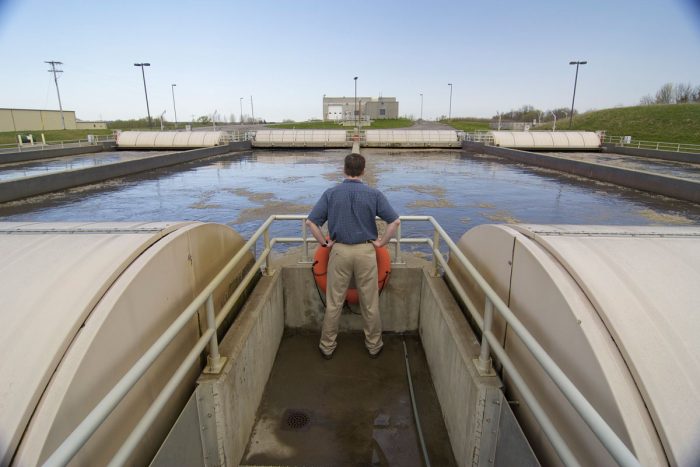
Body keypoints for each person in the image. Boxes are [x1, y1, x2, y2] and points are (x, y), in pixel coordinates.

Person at [306, 153, 400, 360]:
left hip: (339, 251)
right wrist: (382, 242)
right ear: (363, 171)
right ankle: (374, 346)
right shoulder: (374, 194)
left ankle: (327, 346)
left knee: (334, 303)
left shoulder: (331, 193)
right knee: (370, 303)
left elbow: (311, 222)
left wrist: (324, 243)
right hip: (366, 253)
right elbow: (394, 222)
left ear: (344, 169)